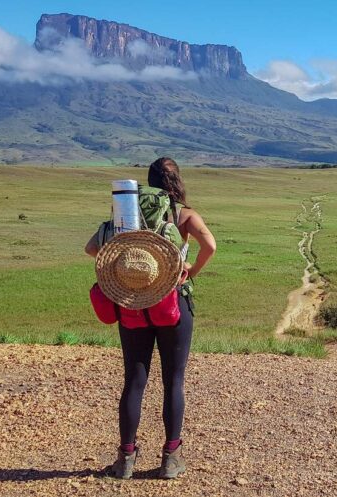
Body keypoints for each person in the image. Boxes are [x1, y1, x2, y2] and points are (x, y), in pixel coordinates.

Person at [85, 157, 217, 479]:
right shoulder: (184, 215)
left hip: (133, 305)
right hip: (173, 305)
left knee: (134, 380)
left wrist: (128, 267)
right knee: (174, 380)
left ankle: (125, 460)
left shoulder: (127, 219)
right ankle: (171, 459)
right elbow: (210, 246)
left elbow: (92, 248)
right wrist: (188, 272)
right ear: (177, 182)